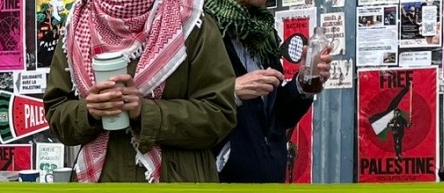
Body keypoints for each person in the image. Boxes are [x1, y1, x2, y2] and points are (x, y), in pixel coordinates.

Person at [43, 0, 237, 183]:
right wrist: (88, 112)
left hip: (175, 192)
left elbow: (219, 114)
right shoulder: (78, 23)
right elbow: (57, 112)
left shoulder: (190, 20)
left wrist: (146, 113)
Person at [206, 0, 330, 183]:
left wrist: (303, 82)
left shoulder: (263, 32)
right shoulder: (199, 26)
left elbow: (275, 116)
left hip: (269, 185)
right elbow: (178, 105)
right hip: (219, 188)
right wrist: (231, 92)